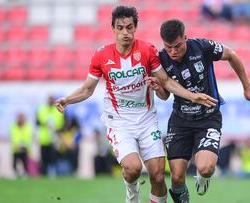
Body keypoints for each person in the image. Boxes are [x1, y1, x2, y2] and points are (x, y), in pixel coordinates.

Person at [54, 6, 217, 203]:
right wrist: (68, 99)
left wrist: (190, 95)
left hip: (147, 119)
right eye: (120, 28)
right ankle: (132, 195)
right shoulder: (101, 56)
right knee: (132, 169)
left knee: (157, 174)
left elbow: (165, 82)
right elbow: (87, 89)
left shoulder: (147, 50)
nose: (125, 33)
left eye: (129, 27)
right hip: (119, 122)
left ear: (135, 27)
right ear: (113, 28)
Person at [147, 19, 250, 202]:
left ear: (185, 38)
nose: (173, 52)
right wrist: (157, 88)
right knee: (176, 177)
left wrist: (247, 88)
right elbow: (164, 96)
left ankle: (203, 177)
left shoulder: (202, 47)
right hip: (180, 120)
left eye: (177, 46)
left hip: (208, 118)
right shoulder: (161, 59)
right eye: (169, 47)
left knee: (206, 168)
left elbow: (232, 55)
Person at [36, 95, 65, 177]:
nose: (50, 101)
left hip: (54, 138)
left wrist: (55, 125)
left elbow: (61, 123)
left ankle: (52, 173)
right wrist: (46, 122)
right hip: (44, 138)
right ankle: (43, 173)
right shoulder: (42, 109)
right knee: (44, 158)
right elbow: (38, 121)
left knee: (53, 157)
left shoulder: (57, 110)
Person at [10, 112, 33, 178]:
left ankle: (25, 172)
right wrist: (17, 144)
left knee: (25, 159)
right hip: (16, 148)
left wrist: (24, 145)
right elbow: (13, 138)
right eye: (19, 118)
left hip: (25, 148)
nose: (20, 120)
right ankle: (14, 172)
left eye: (22, 118)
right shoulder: (13, 127)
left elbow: (29, 138)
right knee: (15, 158)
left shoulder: (28, 127)